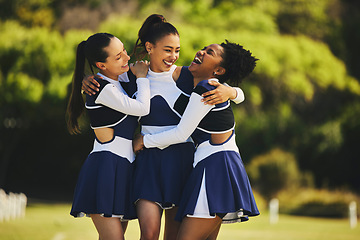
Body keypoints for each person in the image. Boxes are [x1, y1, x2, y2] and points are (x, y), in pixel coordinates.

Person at [82, 14, 245, 240]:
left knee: (173, 236)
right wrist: (88, 79)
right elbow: (108, 81)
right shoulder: (133, 76)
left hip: (182, 160)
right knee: (149, 234)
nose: (174, 56)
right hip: (147, 161)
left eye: (177, 50)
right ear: (150, 47)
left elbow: (221, 82)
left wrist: (233, 92)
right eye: (168, 50)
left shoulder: (188, 75)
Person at [133, 40, 260, 240]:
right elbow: (238, 96)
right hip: (214, 166)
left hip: (216, 168)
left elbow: (181, 133)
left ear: (218, 70)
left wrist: (144, 140)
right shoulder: (208, 86)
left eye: (210, 52)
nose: (201, 52)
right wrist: (233, 92)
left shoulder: (206, 88)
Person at [66, 32, 150, 240]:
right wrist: (141, 78)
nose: (126, 58)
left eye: (123, 51)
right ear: (101, 65)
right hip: (105, 168)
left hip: (124, 167)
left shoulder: (118, 81)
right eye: (118, 56)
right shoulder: (101, 88)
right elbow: (142, 108)